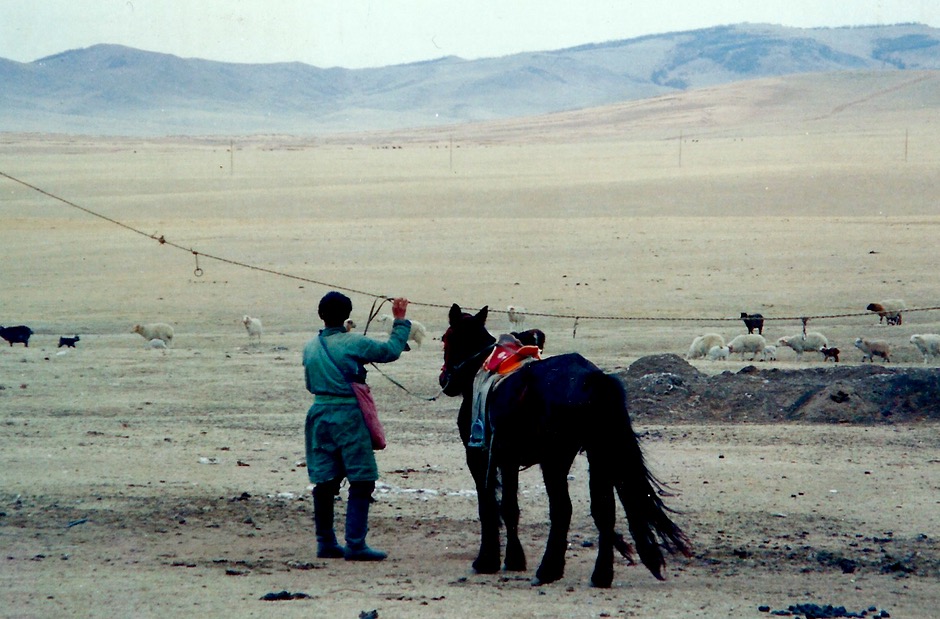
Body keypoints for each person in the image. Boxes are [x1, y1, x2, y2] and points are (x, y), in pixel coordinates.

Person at [303, 291, 411, 561]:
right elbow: (390, 351)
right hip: (348, 416)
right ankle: (355, 544)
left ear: (320, 314)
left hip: (318, 415)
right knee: (362, 479)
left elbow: (309, 384)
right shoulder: (353, 342)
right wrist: (400, 322)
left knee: (325, 481)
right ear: (348, 314)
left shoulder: (310, 346)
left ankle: (325, 542)